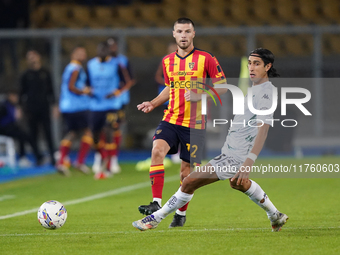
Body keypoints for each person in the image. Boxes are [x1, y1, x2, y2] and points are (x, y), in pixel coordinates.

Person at [132, 48, 289, 232]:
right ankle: (275, 215)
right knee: (238, 183)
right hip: (232, 151)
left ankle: (155, 218)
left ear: (267, 66)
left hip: (237, 155)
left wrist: (249, 161)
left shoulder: (266, 94)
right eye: (250, 63)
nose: (251, 67)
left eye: (257, 64)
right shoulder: (257, 88)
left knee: (189, 181)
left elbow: (263, 129)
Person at [136, 17, 227, 227]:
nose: (183, 35)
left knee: (187, 174)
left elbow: (222, 86)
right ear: (174, 34)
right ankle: (156, 203)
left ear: (193, 34)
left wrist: (200, 93)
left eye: (187, 31)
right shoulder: (168, 61)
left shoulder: (206, 58)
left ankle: (181, 214)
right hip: (171, 119)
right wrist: (153, 103)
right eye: (180, 31)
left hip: (195, 125)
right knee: (157, 150)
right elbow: (170, 87)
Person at [87, 42, 133, 179]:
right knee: (95, 137)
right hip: (95, 105)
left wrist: (117, 92)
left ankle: (108, 164)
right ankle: (102, 157)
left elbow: (128, 81)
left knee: (108, 132)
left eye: (104, 50)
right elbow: (87, 83)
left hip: (112, 105)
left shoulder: (116, 64)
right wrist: (87, 90)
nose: (101, 52)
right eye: (99, 50)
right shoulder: (90, 65)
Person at [56, 46, 93, 176]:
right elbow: (71, 87)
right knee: (88, 132)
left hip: (67, 106)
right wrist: (85, 91)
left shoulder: (68, 68)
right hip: (78, 106)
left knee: (72, 133)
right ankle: (80, 162)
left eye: (84, 53)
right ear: (73, 54)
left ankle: (61, 162)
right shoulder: (76, 68)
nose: (82, 55)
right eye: (79, 53)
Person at [19, 50, 58, 166]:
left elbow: (51, 90)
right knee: (33, 134)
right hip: (31, 109)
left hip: (44, 107)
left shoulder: (45, 73)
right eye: (29, 57)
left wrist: (55, 105)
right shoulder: (25, 75)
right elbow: (22, 93)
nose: (32, 59)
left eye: (34, 56)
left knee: (48, 133)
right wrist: (20, 108)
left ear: (38, 57)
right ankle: (38, 157)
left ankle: (53, 157)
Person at [0, 90, 43, 166]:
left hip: (11, 127)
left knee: (26, 135)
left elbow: (15, 119)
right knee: (22, 135)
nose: (16, 98)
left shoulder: (14, 106)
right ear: (10, 96)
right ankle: (23, 157)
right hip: (4, 129)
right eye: (14, 96)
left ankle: (37, 156)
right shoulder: (4, 105)